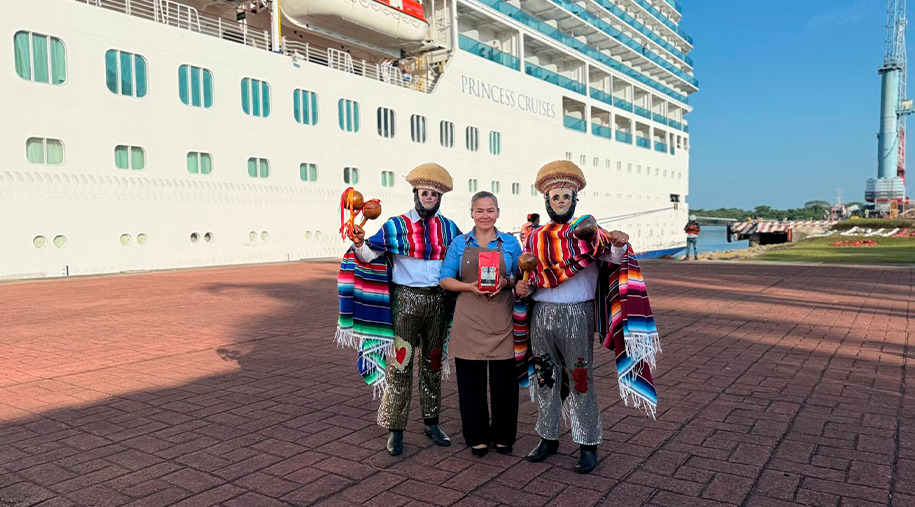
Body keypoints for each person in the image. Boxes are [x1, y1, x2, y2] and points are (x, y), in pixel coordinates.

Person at [515, 160, 661, 474]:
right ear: (546, 201)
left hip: (577, 314)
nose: (560, 202)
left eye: (566, 197)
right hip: (541, 314)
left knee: (581, 378)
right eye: (555, 197)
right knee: (545, 378)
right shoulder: (534, 237)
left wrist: (619, 243)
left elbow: (615, 258)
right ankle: (548, 437)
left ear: (575, 199)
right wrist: (522, 287)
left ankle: (588, 443)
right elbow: (527, 275)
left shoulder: (590, 233)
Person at [337, 163, 461, 456]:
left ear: (440, 198)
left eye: (434, 194)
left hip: (438, 301)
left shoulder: (450, 229)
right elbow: (369, 255)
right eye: (425, 192)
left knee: (433, 363)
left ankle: (431, 422)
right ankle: (395, 429)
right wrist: (359, 243)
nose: (429, 197)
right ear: (416, 193)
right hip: (405, 301)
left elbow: (461, 259)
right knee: (401, 364)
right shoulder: (396, 226)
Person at [440, 192, 522, 457]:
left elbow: (520, 278)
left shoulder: (511, 243)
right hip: (469, 316)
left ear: (497, 212)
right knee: (470, 383)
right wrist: (469, 287)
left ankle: (504, 436)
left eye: (490, 210)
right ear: (472, 213)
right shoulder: (459, 244)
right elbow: (445, 279)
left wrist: (507, 282)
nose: (485, 216)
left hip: (502, 317)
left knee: (505, 383)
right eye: (479, 211)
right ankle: (477, 437)